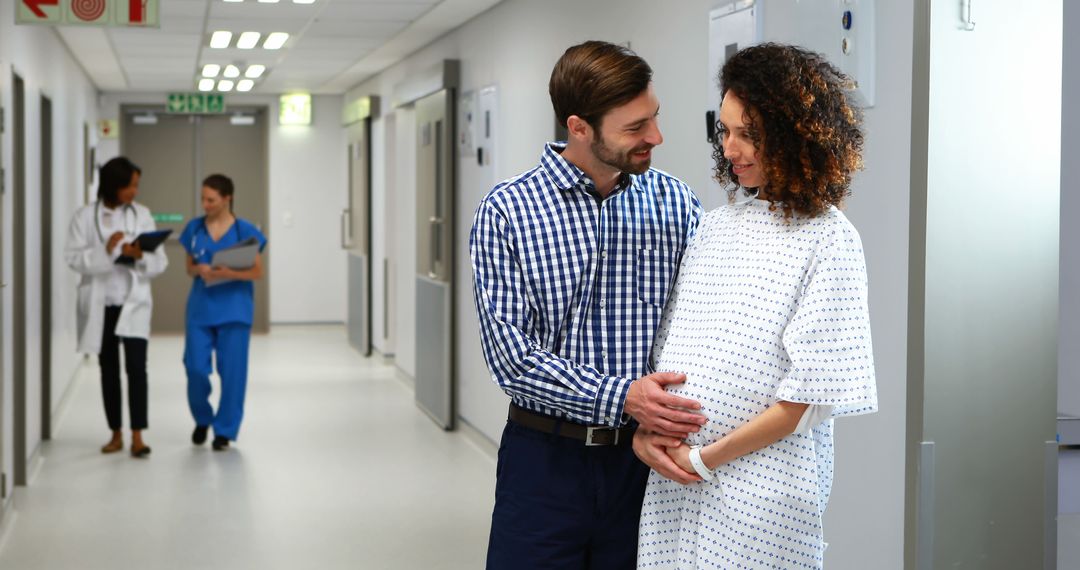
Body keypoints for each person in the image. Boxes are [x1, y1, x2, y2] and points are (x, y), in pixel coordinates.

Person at [633, 43, 879, 569]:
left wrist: (704, 458)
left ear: (795, 137)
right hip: (675, 482)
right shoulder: (715, 227)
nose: (731, 149)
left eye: (751, 135)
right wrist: (650, 436)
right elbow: (671, 350)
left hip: (760, 491)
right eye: (724, 131)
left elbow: (810, 397)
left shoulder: (828, 239)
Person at [469, 41, 704, 569]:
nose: (656, 138)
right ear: (579, 127)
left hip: (648, 462)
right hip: (544, 463)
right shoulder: (507, 212)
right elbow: (512, 358)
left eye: (655, 118)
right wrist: (625, 396)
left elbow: (700, 325)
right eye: (635, 127)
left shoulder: (677, 204)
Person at [65, 156, 167, 458]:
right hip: (102, 303)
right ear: (114, 185)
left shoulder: (142, 215)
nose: (134, 191)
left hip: (133, 303)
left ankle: (138, 436)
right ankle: (115, 434)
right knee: (107, 370)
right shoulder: (84, 217)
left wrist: (138, 255)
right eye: (129, 186)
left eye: (136, 185)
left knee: (137, 369)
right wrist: (106, 250)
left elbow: (160, 261)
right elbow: (72, 257)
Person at [180, 174, 267, 452]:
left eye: (211, 200)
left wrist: (228, 273)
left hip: (234, 311)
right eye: (203, 199)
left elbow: (257, 271)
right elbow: (189, 268)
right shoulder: (194, 229)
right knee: (195, 368)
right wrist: (200, 270)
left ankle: (225, 430)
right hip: (201, 310)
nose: (205, 205)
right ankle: (203, 418)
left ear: (227, 198)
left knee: (233, 375)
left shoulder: (245, 231)